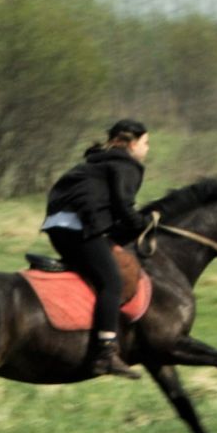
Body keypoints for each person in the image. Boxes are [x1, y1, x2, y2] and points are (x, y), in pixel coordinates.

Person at [41, 119, 153, 379]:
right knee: (111, 281)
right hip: (79, 228)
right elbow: (124, 208)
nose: (147, 150)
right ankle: (105, 352)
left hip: (56, 227)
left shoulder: (95, 163)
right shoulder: (127, 165)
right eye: (146, 143)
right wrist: (144, 225)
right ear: (131, 143)